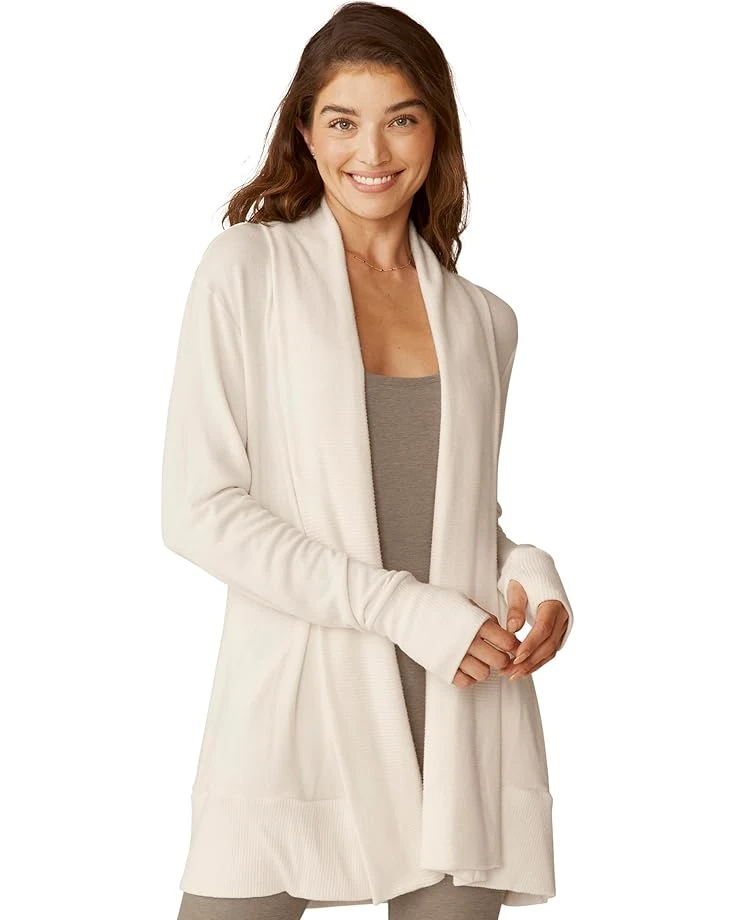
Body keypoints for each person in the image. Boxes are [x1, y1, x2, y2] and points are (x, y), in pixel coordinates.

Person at [162, 3, 574, 918]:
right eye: (343, 121)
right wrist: (402, 608)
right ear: (306, 134)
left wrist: (528, 573)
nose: (372, 151)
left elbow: (452, 512)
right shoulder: (247, 273)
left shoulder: (485, 321)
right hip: (298, 707)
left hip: (462, 707)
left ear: (437, 131)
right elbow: (200, 509)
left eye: (401, 118)